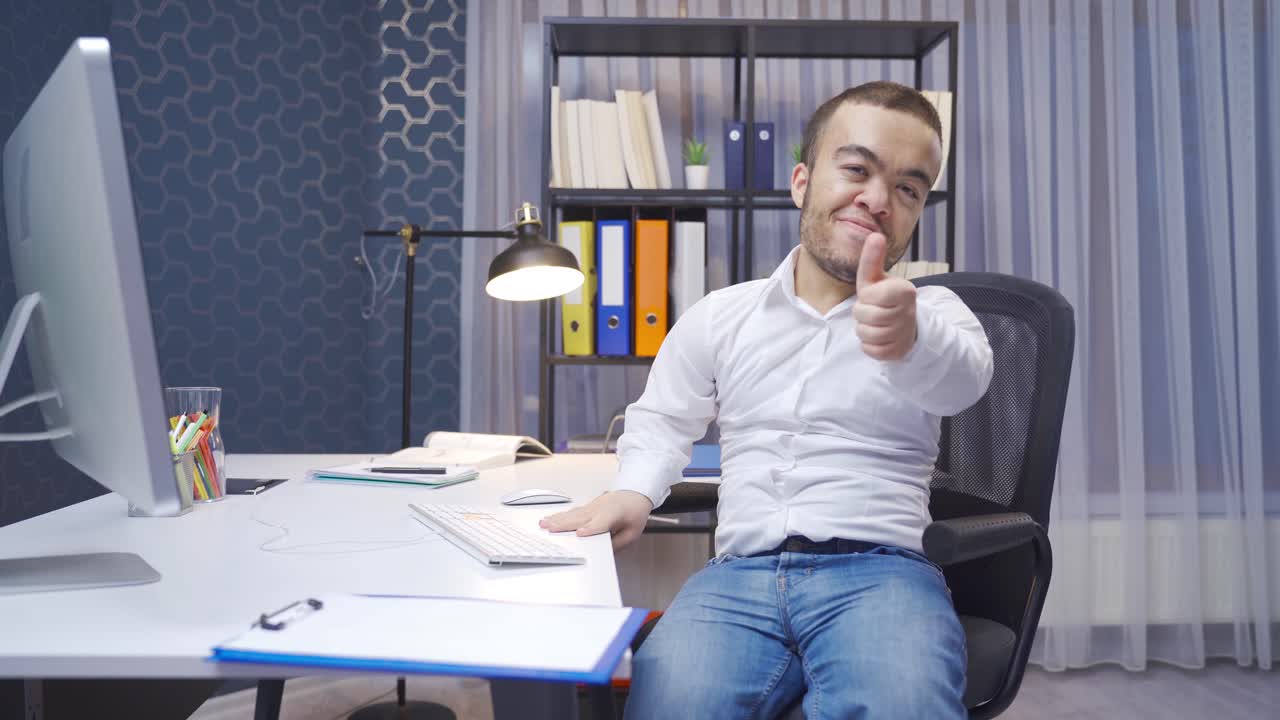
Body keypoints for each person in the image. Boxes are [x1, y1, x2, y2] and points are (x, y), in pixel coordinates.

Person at [541, 81, 993, 719]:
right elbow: (665, 422)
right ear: (802, 180)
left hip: (882, 575)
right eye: (857, 169)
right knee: (671, 701)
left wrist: (910, 338)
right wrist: (634, 491)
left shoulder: (933, 313)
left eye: (908, 188)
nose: (878, 199)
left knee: (902, 703)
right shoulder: (723, 316)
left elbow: (964, 380)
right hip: (738, 579)